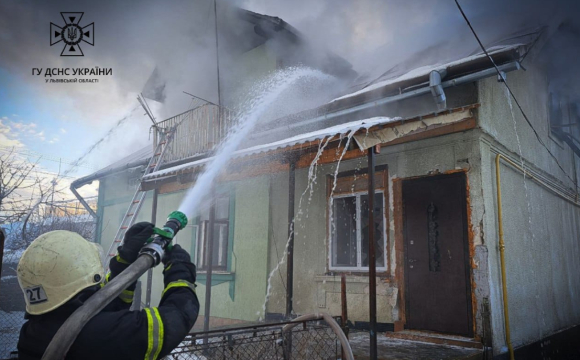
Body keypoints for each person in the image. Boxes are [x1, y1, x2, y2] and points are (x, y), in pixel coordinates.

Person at [16, 222, 199, 360]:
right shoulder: (101, 335)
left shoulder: (34, 331)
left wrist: (125, 262)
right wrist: (180, 268)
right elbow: (176, 319)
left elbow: (103, 305)